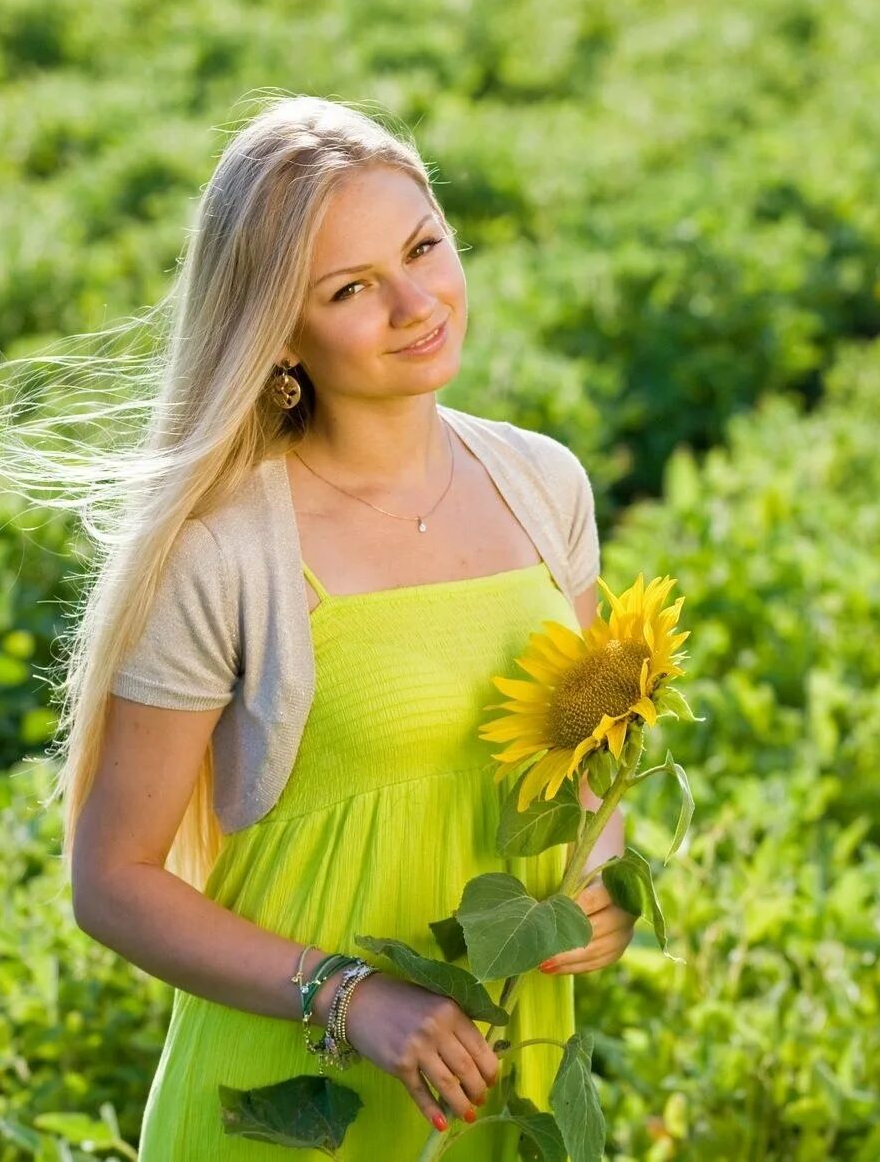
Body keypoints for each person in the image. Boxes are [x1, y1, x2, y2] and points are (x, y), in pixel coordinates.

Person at [47, 95, 633, 1159]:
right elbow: (113, 879)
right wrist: (351, 996)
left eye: (424, 246)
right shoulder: (222, 549)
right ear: (280, 331)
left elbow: (590, 755)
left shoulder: (545, 483)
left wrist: (601, 876)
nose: (416, 302)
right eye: (352, 287)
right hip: (293, 1098)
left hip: (505, 1079)